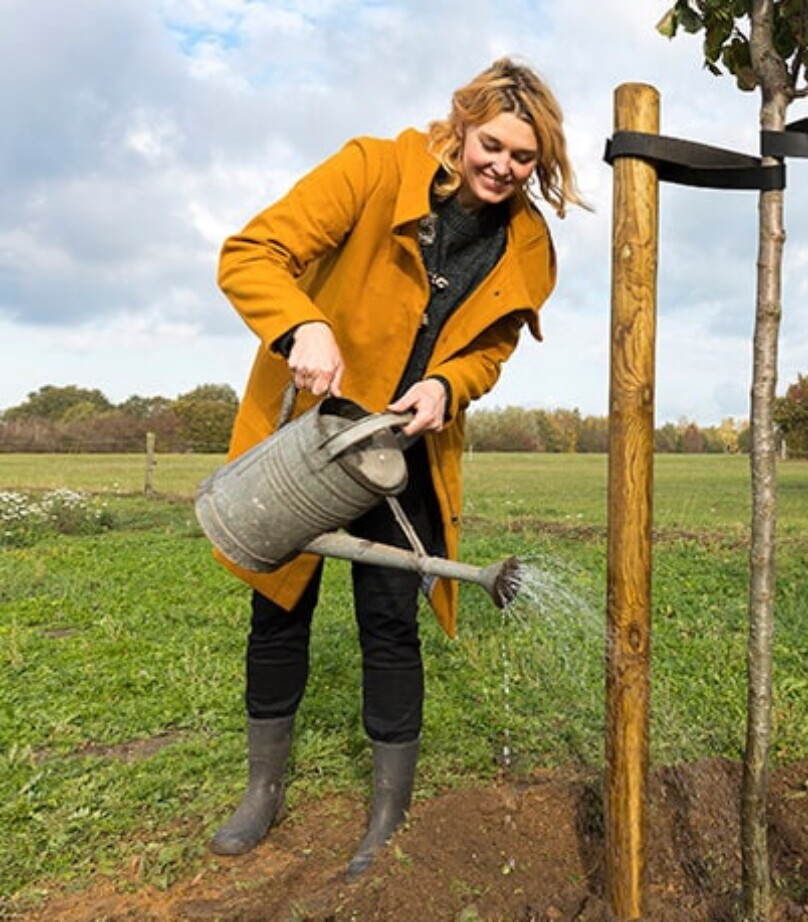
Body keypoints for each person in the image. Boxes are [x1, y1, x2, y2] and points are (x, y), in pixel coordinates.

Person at [207, 58, 584, 877]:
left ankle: (386, 814)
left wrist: (451, 383)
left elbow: (494, 345)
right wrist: (302, 326)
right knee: (279, 607)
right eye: (492, 145)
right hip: (310, 439)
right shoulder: (373, 168)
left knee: (389, 618)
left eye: (524, 158)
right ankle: (262, 791)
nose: (503, 168)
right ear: (459, 127)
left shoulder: (526, 243)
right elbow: (250, 253)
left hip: (403, 452)